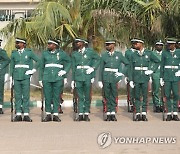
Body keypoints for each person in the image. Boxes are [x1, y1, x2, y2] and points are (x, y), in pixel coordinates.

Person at [39, 39, 71, 122]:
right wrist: (40, 78)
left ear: (55, 45)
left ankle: (56, 114)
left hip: (58, 78)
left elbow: (69, 62)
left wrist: (65, 71)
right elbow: (41, 67)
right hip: (47, 78)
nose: (48, 45)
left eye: (50, 44)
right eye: (48, 44)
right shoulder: (45, 54)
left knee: (56, 96)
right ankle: (48, 114)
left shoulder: (62, 53)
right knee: (48, 96)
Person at [129, 38, 160, 121]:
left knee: (145, 96)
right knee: (137, 96)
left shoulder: (149, 53)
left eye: (136, 43)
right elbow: (131, 67)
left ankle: (144, 113)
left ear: (141, 44)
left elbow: (158, 61)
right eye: (134, 44)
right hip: (136, 77)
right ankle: (138, 113)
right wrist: (131, 79)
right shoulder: (133, 55)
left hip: (145, 77)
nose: (134, 45)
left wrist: (152, 70)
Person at [10, 38, 40, 122]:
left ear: (23, 44)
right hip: (16, 76)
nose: (16, 44)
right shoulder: (14, 53)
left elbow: (39, 61)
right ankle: (18, 114)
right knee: (17, 95)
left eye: (18, 43)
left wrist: (33, 70)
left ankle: (26, 114)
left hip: (25, 76)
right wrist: (11, 77)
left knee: (26, 96)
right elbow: (12, 65)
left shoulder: (29, 53)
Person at [98, 40, 129, 121]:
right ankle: (108, 113)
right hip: (106, 76)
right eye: (106, 45)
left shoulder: (119, 55)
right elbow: (101, 68)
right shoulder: (104, 55)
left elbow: (127, 63)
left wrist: (121, 73)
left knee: (114, 95)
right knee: (107, 95)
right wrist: (100, 80)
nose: (107, 46)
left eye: (108, 45)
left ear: (113, 45)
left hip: (115, 77)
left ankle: (113, 113)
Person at [71, 38, 100, 121]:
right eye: (76, 42)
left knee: (87, 95)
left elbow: (98, 59)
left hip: (87, 75)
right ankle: (80, 114)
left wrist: (93, 68)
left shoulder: (90, 52)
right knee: (80, 96)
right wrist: (73, 80)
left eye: (78, 42)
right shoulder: (74, 54)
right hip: (78, 75)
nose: (77, 43)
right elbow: (73, 67)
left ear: (83, 43)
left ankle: (86, 113)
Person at [160, 38, 180, 121]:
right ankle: (168, 113)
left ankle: (175, 113)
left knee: (176, 94)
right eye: (168, 44)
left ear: (174, 45)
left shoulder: (179, 52)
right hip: (167, 76)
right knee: (167, 95)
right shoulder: (164, 53)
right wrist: (161, 77)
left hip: (176, 75)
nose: (168, 46)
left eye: (170, 44)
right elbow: (162, 65)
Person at [151, 40, 164, 112]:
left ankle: (162, 104)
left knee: (163, 90)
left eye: (161, 45)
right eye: (158, 45)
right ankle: (156, 105)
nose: (159, 46)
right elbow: (150, 64)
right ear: (155, 46)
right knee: (155, 90)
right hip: (155, 73)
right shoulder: (152, 54)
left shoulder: (165, 54)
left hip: (163, 73)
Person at [124, 39, 136, 112]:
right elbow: (126, 64)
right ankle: (131, 104)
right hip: (130, 72)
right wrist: (126, 75)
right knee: (130, 90)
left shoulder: (139, 52)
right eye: (133, 43)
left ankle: (137, 104)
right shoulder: (128, 52)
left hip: (138, 73)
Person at [0, 39, 10, 114]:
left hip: (0, 73)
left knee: (0, 90)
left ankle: (0, 107)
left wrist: (1, 66)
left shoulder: (2, 52)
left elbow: (7, 60)